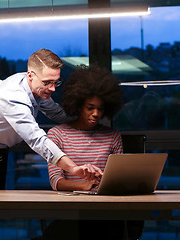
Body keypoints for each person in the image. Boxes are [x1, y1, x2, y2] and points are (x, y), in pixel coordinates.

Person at [0, 49, 102, 240]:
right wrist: (74, 169)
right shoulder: (14, 97)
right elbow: (37, 139)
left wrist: (83, 117)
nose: (52, 89)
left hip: (0, 151)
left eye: (55, 82)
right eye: (47, 83)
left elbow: (57, 113)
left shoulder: (36, 87)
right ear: (30, 75)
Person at [43, 65, 143, 240]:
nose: (96, 114)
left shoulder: (112, 136)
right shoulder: (57, 134)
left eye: (101, 108)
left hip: (106, 211)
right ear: (78, 104)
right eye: (90, 107)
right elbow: (56, 181)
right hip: (70, 213)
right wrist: (85, 188)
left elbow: (119, 178)